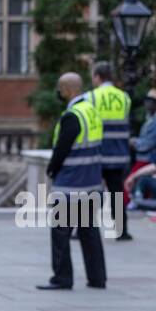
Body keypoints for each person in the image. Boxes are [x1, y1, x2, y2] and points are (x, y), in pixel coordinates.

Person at [39, 71, 107, 291]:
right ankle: (97, 278)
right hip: (91, 182)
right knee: (89, 231)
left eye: (60, 88)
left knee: (60, 232)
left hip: (71, 184)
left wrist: (52, 170)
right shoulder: (91, 111)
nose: (59, 92)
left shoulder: (72, 115)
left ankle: (62, 277)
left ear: (69, 90)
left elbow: (62, 149)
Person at [90, 61, 133, 241]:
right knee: (116, 193)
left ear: (98, 77)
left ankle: (84, 230)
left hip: (97, 154)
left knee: (91, 192)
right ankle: (121, 230)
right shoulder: (124, 98)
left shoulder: (91, 97)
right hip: (119, 153)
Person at [132, 88, 156, 169]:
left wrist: (133, 142)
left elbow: (146, 145)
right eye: (147, 100)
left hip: (149, 160)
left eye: (150, 101)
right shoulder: (151, 118)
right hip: (144, 159)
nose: (147, 103)